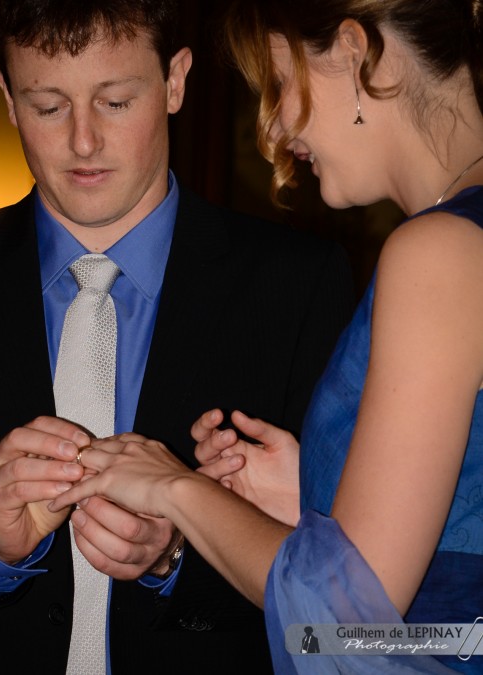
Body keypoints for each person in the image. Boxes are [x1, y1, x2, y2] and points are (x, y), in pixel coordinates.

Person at [0, 1, 355, 673]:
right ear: (7, 97)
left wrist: (177, 555)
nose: (83, 141)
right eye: (47, 106)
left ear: (175, 81)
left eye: (116, 101)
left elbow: (350, 587)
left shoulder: (299, 283)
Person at [47, 0, 483, 673]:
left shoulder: (438, 251)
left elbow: (340, 630)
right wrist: (315, 495)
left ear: (349, 50)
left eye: (280, 84)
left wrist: (177, 490)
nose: (276, 127)